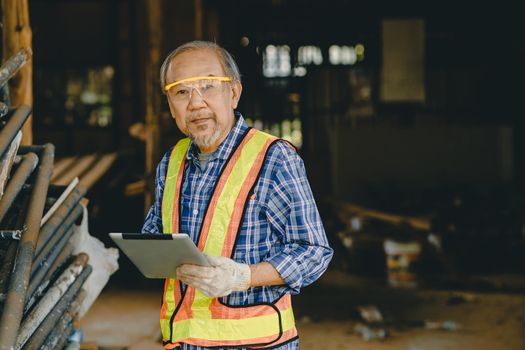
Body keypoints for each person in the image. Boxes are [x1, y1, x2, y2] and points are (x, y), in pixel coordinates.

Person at [142, 40, 333, 350]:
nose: (196, 103)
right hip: (184, 342)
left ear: (234, 93)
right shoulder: (171, 162)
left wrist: (243, 276)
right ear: (169, 104)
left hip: (257, 344)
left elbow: (314, 252)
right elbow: (155, 234)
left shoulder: (273, 158)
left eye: (208, 86)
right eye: (181, 92)